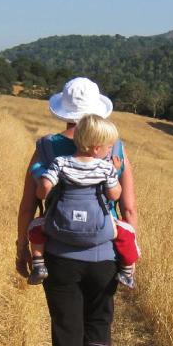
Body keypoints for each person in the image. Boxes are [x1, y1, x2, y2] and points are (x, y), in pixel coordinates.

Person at [15, 77, 139, 346]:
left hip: (59, 255)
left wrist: (23, 246)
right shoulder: (112, 147)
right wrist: (130, 251)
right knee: (98, 320)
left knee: (66, 328)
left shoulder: (47, 148)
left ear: (63, 111)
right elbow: (127, 206)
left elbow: (29, 204)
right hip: (103, 253)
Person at [27, 113, 139, 289]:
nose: (110, 150)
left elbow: (43, 190)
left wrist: (42, 183)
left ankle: (39, 263)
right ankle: (126, 269)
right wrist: (115, 171)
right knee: (127, 232)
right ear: (96, 148)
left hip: (60, 230)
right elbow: (114, 195)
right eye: (108, 147)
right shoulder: (105, 167)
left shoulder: (60, 162)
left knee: (35, 227)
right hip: (99, 234)